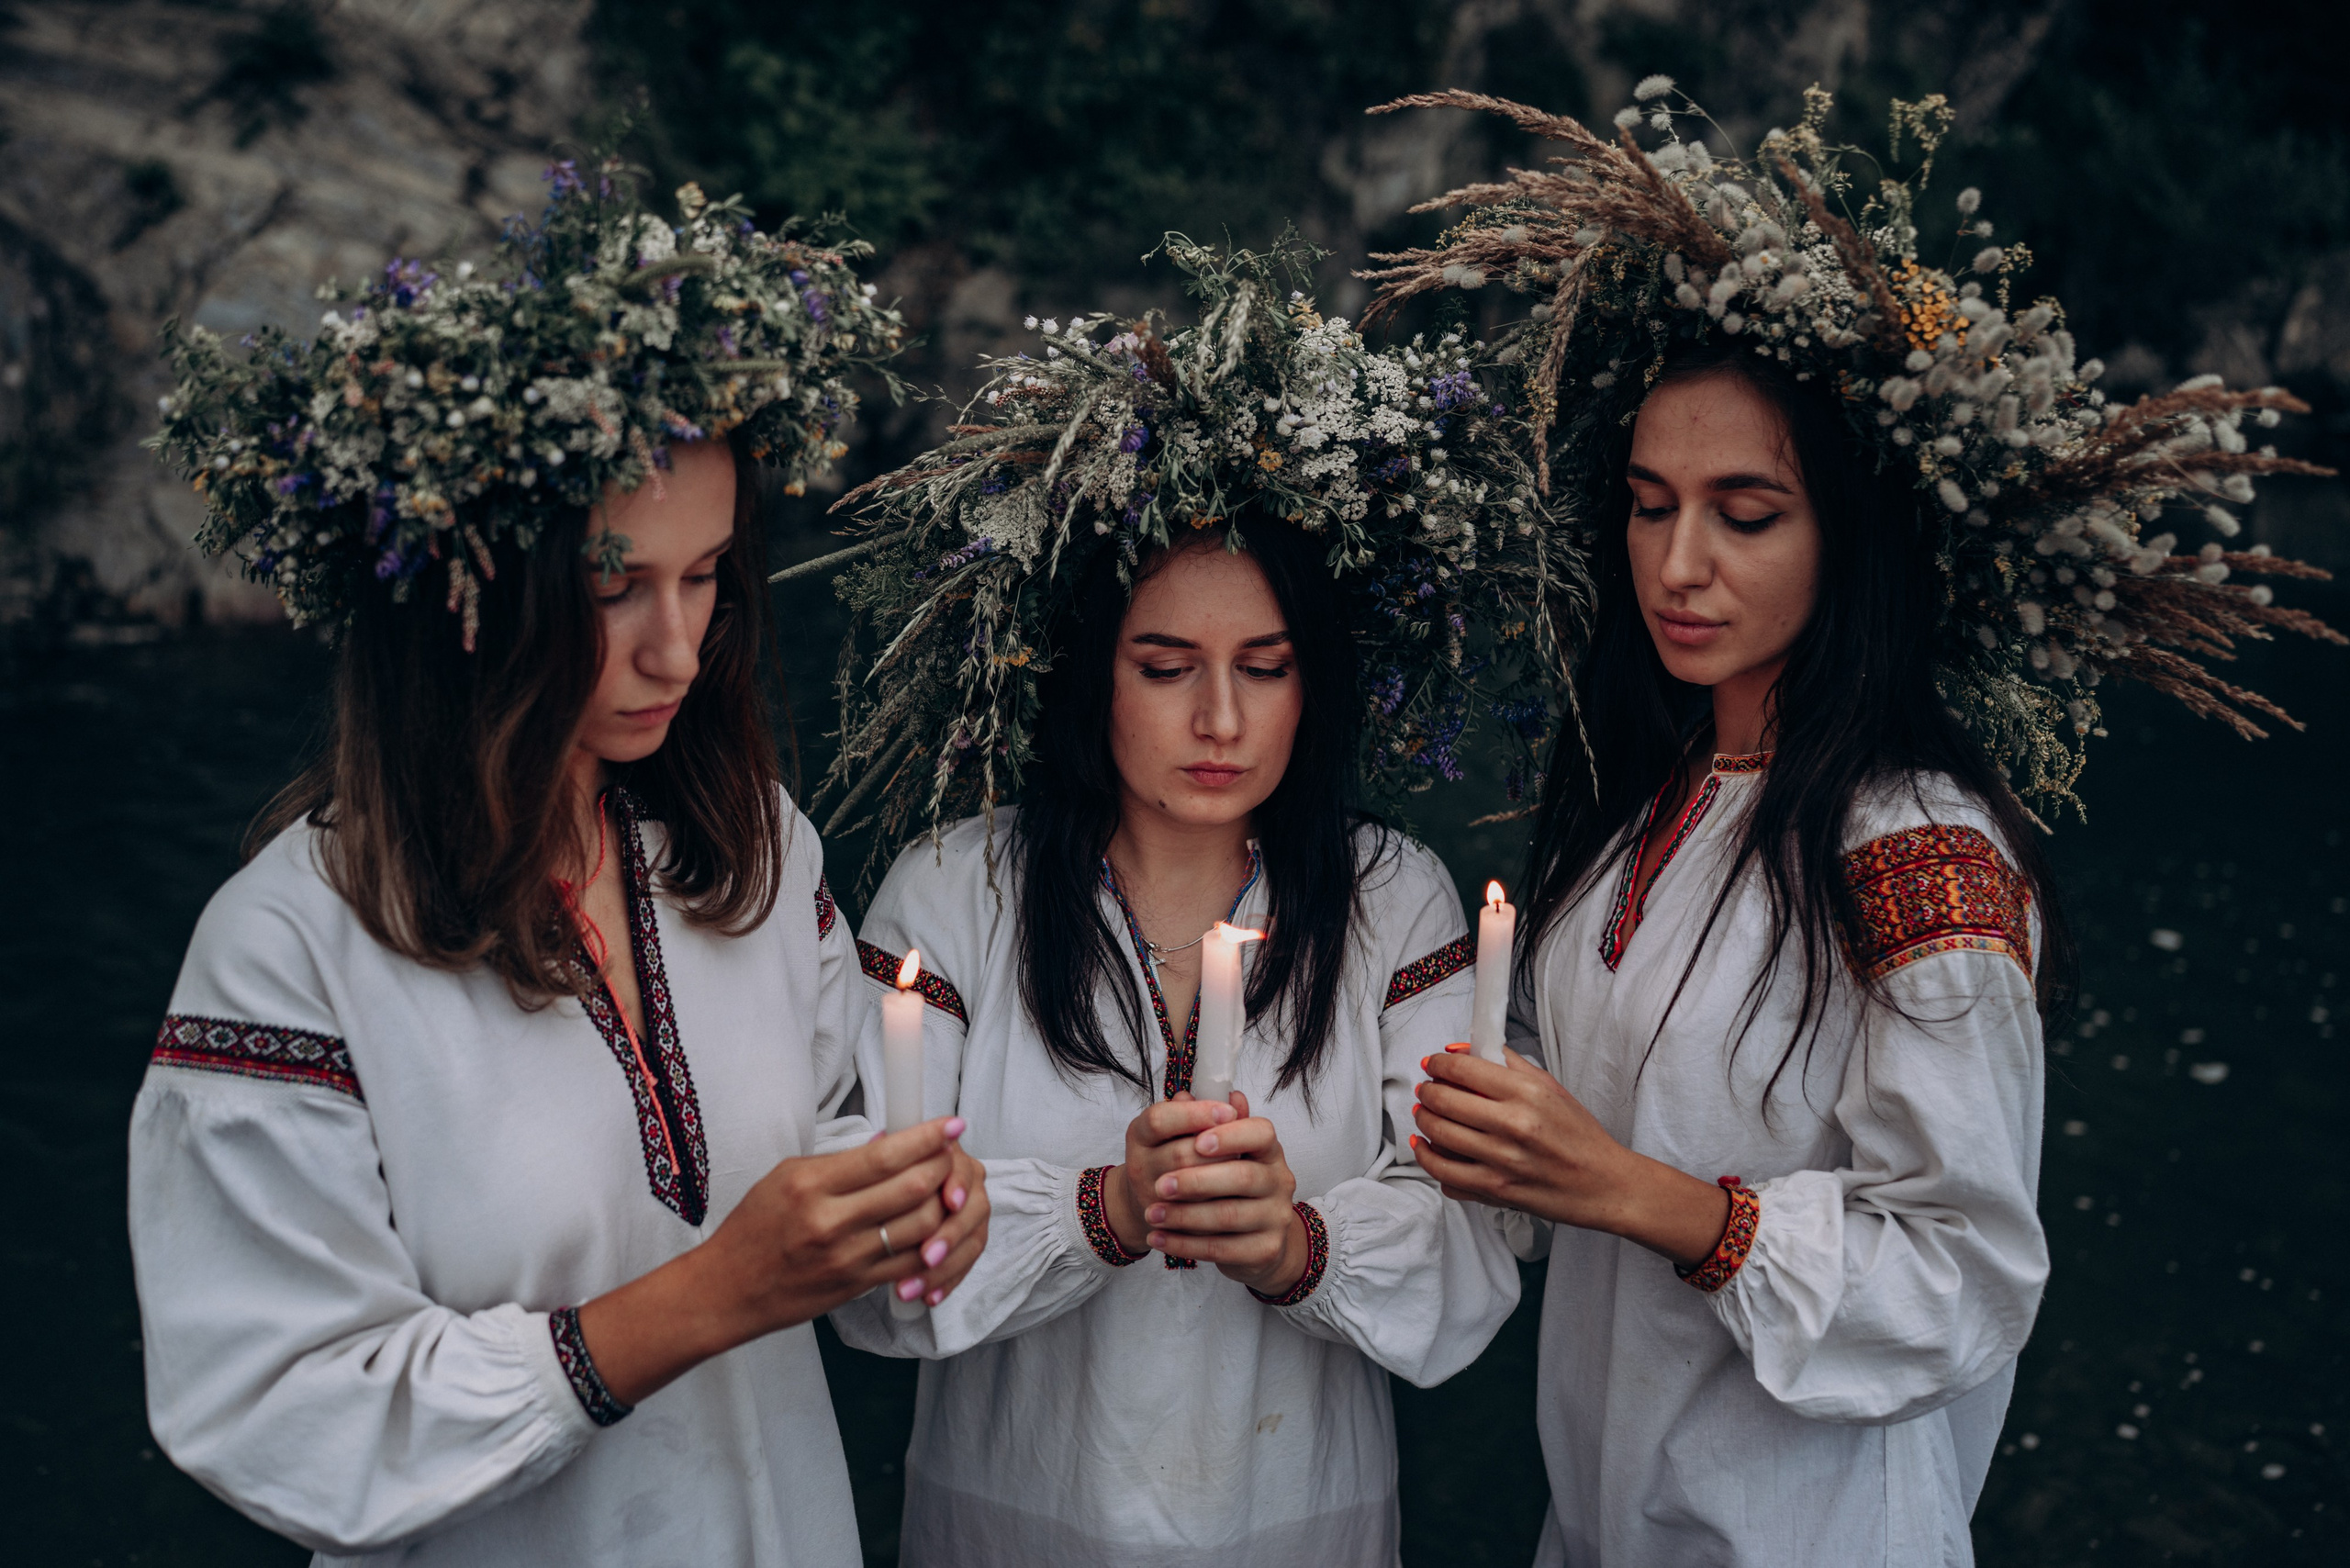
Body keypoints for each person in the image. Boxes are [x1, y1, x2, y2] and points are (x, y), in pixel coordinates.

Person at [1371, 84, 2341, 1566]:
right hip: (1606, 1518)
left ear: (1854, 534)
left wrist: (1633, 1193)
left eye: (1745, 514)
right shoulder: (1655, 794)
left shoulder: (1915, 854)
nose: (1676, 564)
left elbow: (1964, 1273)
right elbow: (1575, 1100)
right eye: (1647, 504)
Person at [130, 163, 986, 1566]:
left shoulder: (753, 844)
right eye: (612, 588)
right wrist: (709, 1295)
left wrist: (901, 1203)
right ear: (462, 595)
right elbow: (275, 1410)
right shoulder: (294, 950)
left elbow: (822, 1128)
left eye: (707, 573)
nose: (679, 647)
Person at [815, 238, 1572, 1566]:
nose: (1220, 720)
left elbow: (1481, 1240)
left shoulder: (1389, 896)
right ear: (1085, 671)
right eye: (1166, 666)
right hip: (1017, 1522)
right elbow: (863, 1263)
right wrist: (1098, 1213)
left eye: (1265, 668)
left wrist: (1295, 1246)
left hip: (1298, 1521)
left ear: (1314, 681)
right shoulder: (960, 888)